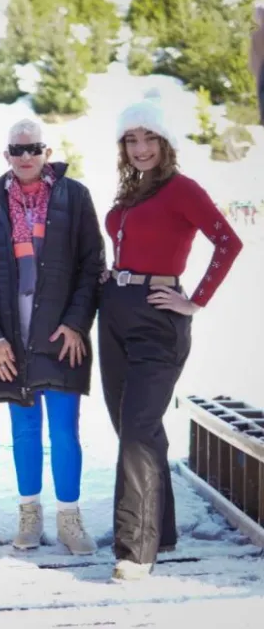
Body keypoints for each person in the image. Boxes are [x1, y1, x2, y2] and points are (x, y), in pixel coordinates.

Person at [101, 92, 243, 581]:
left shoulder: (182, 188)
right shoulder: (131, 191)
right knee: (132, 427)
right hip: (115, 310)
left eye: (149, 138)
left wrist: (195, 300)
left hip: (158, 319)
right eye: (131, 140)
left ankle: (134, 551)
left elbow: (228, 241)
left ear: (166, 142)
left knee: (140, 428)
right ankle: (159, 530)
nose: (141, 148)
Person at [0, 118, 104, 556]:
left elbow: (91, 264)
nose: (26, 156)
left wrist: (76, 322)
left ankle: (69, 516)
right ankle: (29, 513)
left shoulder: (74, 195)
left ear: (47, 152)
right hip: (12, 334)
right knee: (24, 430)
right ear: (6, 154)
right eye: (17, 149)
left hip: (61, 332)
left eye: (34, 148)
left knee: (64, 430)